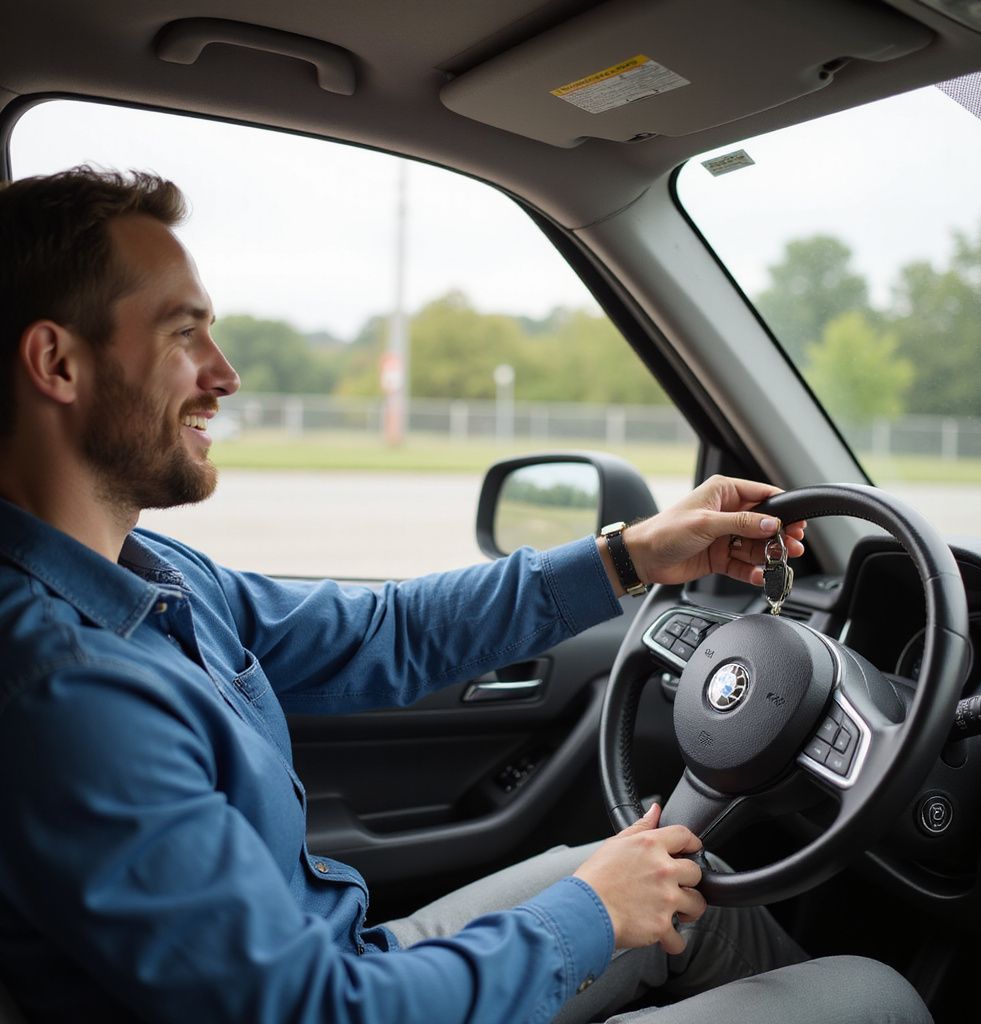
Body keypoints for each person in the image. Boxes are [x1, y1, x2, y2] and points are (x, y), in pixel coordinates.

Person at [0, 168, 930, 1024]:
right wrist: (591, 915)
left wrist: (634, 554)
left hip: (343, 960)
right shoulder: (65, 693)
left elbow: (381, 633)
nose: (225, 374)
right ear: (59, 364)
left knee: (688, 884)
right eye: (183, 333)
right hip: (339, 998)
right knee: (872, 994)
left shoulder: (151, 575)